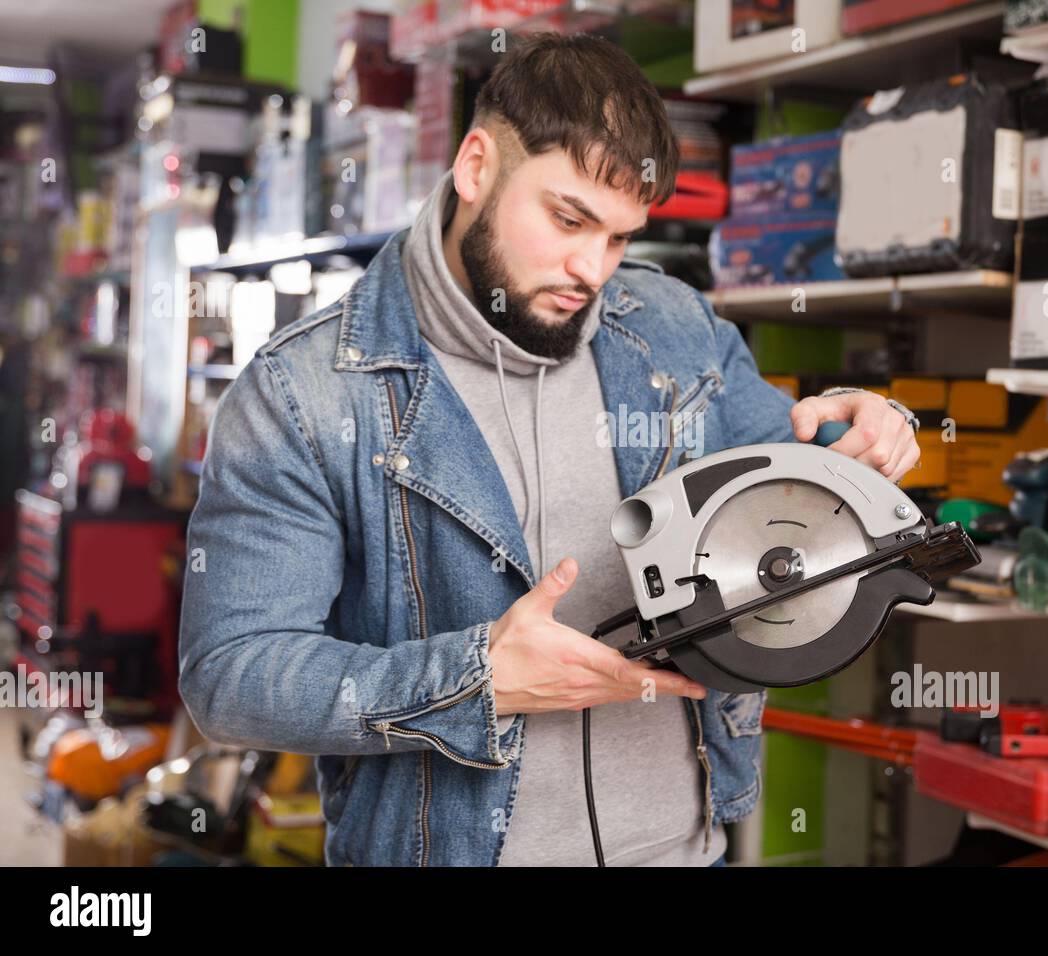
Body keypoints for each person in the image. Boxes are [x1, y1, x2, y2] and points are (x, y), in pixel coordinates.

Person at [178, 32, 920, 867]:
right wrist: (478, 681)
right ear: (476, 166)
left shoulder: (676, 328)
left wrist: (871, 430)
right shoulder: (304, 393)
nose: (591, 268)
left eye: (619, 237)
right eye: (569, 219)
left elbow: (791, 485)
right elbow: (232, 676)